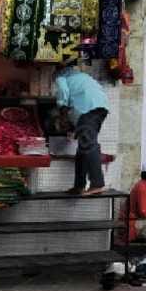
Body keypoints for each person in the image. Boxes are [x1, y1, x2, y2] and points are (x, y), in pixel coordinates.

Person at [55, 62, 110, 196]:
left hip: (89, 108)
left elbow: (63, 92)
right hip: (99, 107)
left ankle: (97, 184)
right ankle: (79, 185)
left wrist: (62, 109)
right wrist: (73, 127)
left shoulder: (61, 77)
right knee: (82, 149)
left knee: (88, 144)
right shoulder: (80, 76)